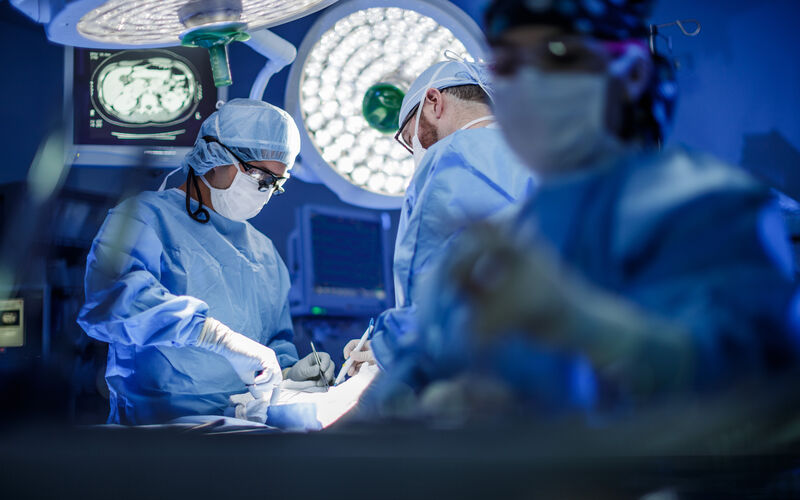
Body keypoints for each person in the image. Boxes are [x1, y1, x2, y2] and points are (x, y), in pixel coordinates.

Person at [406, 0, 800, 408]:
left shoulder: (710, 207)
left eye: (558, 53)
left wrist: (588, 327)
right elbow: (416, 374)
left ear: (632, 72)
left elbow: (752, 380)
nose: (527, 83)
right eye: (508, 66)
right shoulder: (514, 232)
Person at [78, 99, 334, 425]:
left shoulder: (264, 252)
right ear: (216, 156)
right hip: (155, 435)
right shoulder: (143, 218)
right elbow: (110, 303)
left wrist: (289, 372)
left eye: (276, 183)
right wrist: (214, 337)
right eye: (260, 176)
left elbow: (274, 342)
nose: (266, 191)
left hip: (245, 429)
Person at [343, 58, 537, 375]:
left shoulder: (450, 155)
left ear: (434, 101)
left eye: (410, 138)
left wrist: (388, 347)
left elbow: (427, 293)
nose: (415, 151)